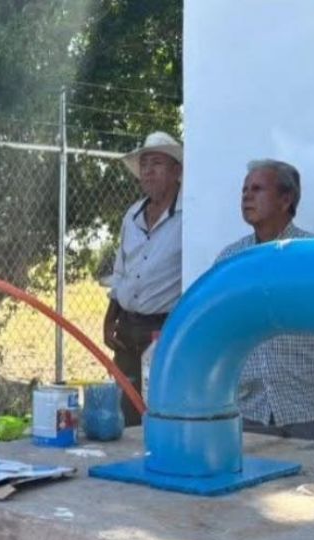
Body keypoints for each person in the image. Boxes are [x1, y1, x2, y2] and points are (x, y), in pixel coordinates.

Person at [214, 159, 314, 441]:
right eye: (244, 189)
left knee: (308, 485)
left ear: (286, 200)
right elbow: (216, 325)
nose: (246, 196)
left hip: (308, 408)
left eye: (257, 189)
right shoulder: (230, 260)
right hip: (249, 410)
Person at [103, 131, 184, 425]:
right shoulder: (132, 215)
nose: (148, 171)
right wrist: (110, 317)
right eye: (144, 164)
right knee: (124, 411)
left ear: (177, 171)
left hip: (162, 329)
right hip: (127, 330)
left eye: (157, 163)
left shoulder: (188, 217)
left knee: (160, 410)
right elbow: (121, 272)